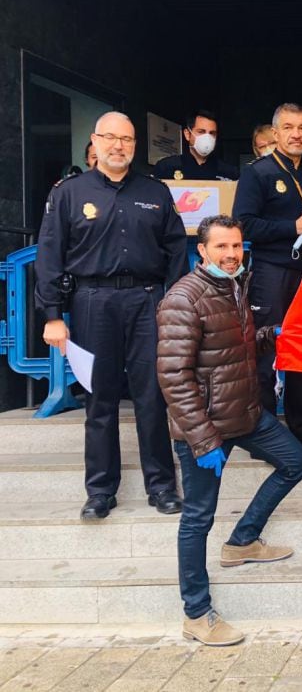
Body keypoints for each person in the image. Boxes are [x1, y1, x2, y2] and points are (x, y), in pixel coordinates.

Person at [157, 215, 302, 647]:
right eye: (221, 247)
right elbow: (174, 377)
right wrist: (203, 439)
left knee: (296, 461)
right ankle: (196, 613)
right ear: (202, 250)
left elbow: (230, 347)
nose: (230, 254)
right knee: (197, 519)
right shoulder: (183, 299)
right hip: (205, 428)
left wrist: (269, 335)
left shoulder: (234, 285)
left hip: (244, 413)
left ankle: (243, 540)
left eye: (237, 246)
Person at [35, 111, 187, 519]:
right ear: (95, 142)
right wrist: (53, 314)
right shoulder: (68, 193)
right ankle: (100, 490)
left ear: (135, 145)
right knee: (98, 398)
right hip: (91, 303)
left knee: (152, 396)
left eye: (127, 139)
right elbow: (49, 256)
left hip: (146, 302)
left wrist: (172, 304)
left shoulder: (155, 192)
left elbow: (176, 252)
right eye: (111, 138)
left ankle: (162, 486)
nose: (119, 145)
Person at [233, 102, 302, 455]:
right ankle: (264, 433)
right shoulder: (258, 173)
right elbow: (244, 224)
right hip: (271, 271)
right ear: (276, 133)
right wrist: (289, 227)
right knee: (266, 350)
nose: (296, 134)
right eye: (289, 127)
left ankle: (301, 426)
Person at [154, 110, 239, 182]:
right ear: (187, 134)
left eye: (212, 133)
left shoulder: (229, 172)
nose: (207, 137)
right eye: (201, 132)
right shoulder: (167, 167)